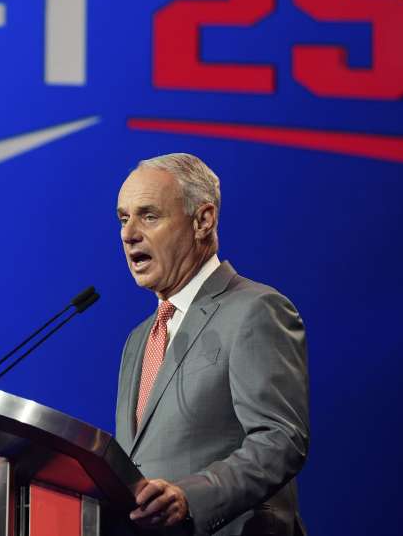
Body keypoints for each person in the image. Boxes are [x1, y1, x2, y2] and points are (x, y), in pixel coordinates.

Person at [114, 153, 310, 536]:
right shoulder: (138, 340)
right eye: (123, 218)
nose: (129, 233)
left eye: (149, 216)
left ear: (203, 220)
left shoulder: (255, 309)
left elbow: (280, 439)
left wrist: (191, 498)